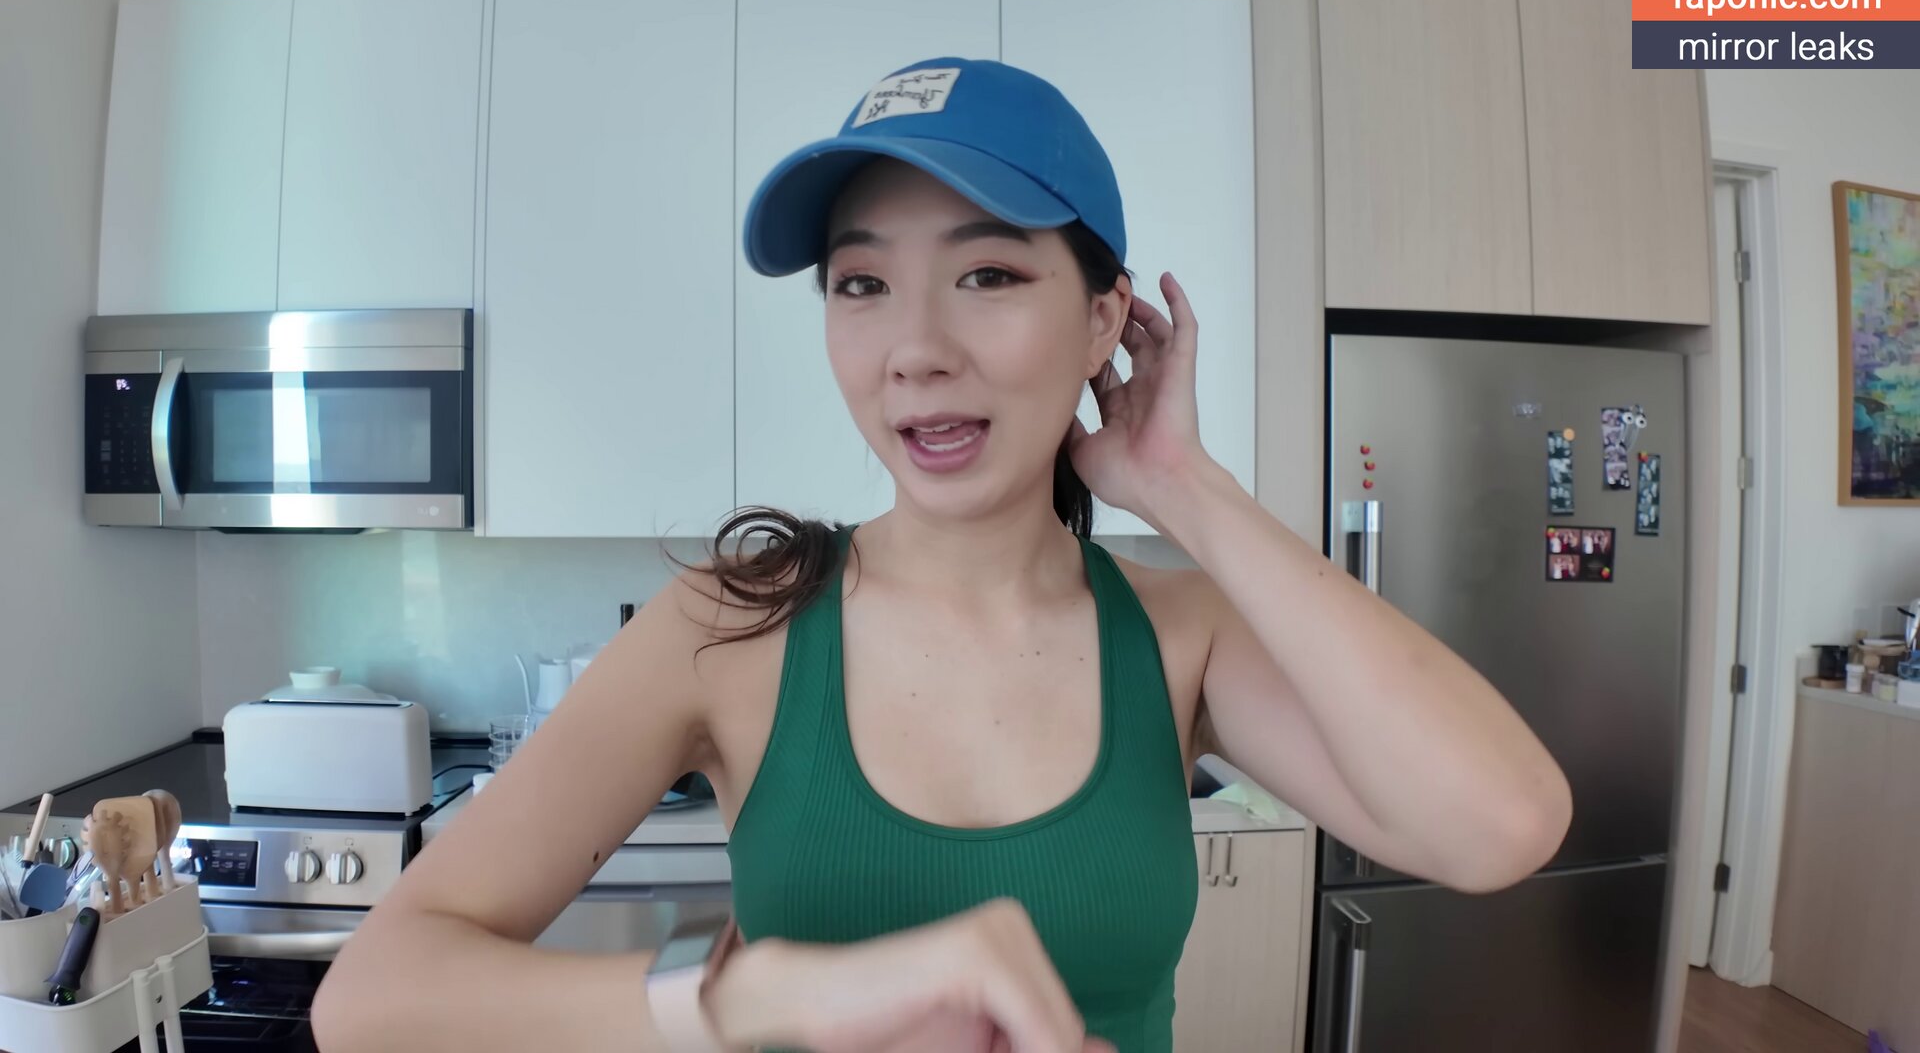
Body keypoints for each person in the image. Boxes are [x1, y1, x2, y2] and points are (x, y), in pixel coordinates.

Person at [313, 57, 1571, 1053]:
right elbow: (370, 999)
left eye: (988, 274)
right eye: (861, 286)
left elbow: (1498, 827)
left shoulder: (1182, 633)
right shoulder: (730, 624)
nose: (913, 349)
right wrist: (755, 996)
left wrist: (1184, 487)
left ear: (1104, 320)